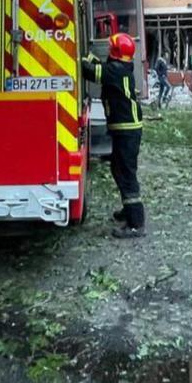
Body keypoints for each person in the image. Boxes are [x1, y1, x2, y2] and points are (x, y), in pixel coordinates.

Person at [82, 32, 145, 239]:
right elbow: (101, 66)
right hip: (125, 129)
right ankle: (128, 211)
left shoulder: (116, 71)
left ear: (116, 52)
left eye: (111, 48)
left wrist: (77, 58)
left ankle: (136, 224)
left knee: (126, 174)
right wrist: (89, 56)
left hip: (127, 131)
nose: (109, 50)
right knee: (118, 169)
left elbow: (92, 72)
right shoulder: (119, 68)